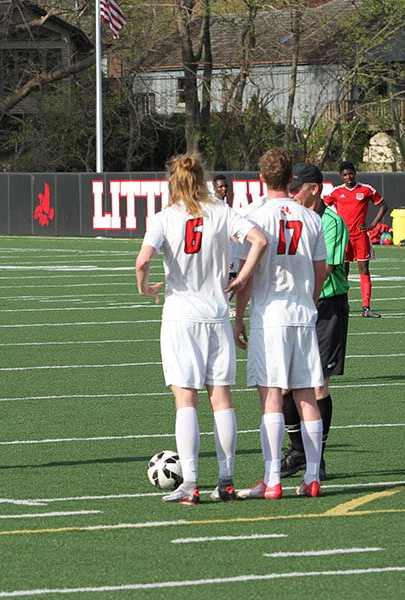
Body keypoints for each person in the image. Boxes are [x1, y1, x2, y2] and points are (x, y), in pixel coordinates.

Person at [135, 154, 267, 505]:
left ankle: (191, 483)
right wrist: (240, 279)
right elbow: (260, 240)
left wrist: (144, 286)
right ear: (202, 179)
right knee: (221, 399)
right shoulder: (221, 211)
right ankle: (226, 481)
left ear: (173, 182)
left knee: (185, 400)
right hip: (217, 316)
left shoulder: (164, 217)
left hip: (181, 318)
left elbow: (143, 260)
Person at [233, 148, 328, 499]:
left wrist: (238, 317)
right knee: (306, 394)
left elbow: (246, 277)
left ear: (261, 178)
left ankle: (272, 479)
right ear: (291, 179)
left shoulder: (252, 215)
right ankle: (313, 476)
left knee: (271, 396)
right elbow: (321, 272)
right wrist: (308, 302)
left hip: (269, 316)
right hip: (302, 314)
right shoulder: (312, 217)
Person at [279, 163, 349, 481]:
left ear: (315, 189)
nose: (291, 193)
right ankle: (297, 451)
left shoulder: (330, 221)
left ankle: (316, 458)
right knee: (284, 383)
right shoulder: (290, 219)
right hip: (296, 306)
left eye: (297, 188)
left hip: (325, 306)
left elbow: (327, 268)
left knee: (318, 383)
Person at [325, 161, 387, 318]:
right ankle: (342, 305)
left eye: (350, 173)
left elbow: (383, 206)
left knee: (364, 269)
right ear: (341, 176)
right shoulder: (336, 192)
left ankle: (366, 308)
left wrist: (372, 224)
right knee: (342, 271)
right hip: (343, 236)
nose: (348, 177)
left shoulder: (366, 189)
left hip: (360, 236)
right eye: (345, 175)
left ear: (355, 173)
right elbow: (323, 207)